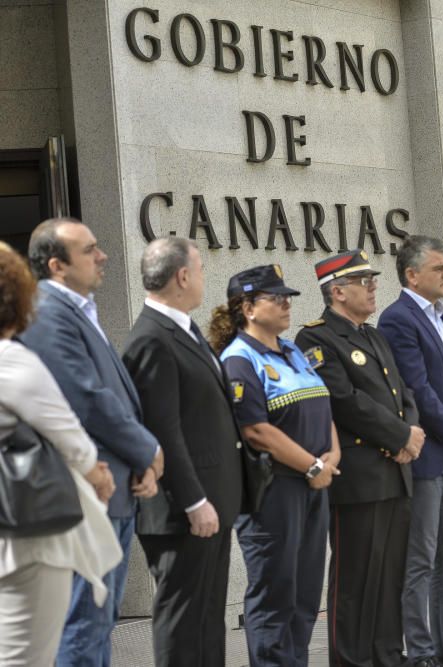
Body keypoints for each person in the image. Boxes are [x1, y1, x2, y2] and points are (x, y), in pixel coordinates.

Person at [21, 218, 163, 667]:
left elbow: (112, 397)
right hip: (85, 495)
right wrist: (149, 451)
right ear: (58, 266)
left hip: (114, 490)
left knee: (99, 623)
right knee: (83, 624)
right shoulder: (47, 311)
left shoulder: (79, 310)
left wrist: (137, 461)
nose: (103, 257)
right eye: (91, 250)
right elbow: (86, 397)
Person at [294, 249, 423, 667]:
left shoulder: (373, 334)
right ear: (336, 291)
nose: (372, 287)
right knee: (354, 578)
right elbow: (343, 401)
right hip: (359, 475)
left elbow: (402, 393)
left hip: (394, 471)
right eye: (362, 281)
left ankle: (387, 654)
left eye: (371, 279)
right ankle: (350, 660)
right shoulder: (315, 338)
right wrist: (400, 435)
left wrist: (411, 433)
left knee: (389, 575)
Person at [121, 238, 245, 667]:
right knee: (182, 618)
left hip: (210, 502)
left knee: (208, 618)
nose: (204, 279)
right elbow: (163, 430)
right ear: (183, 276)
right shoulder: (152, 338)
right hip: (183, 511)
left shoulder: (186, 329)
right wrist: (194, 501)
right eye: (201, 269)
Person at [209, 264, 340, 666]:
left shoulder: (293, 350)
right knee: (274, 595)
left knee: (303, 595)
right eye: (276, 298)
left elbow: (323, 408)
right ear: (247, 307)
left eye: (287, 298)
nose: (286, 305)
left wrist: (332, 457)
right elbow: (256, 431)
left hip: (314, 483)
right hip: (274, 491)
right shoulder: (239, 359)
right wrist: (312, 467)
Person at [0, 244, 120, 666]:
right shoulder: (11, 360)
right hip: (24, 540)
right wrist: (99, 475)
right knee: (25, 656)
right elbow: (71, 437)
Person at [378, 236, 443, 667]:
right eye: (438, 268)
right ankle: (420, 651)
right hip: (427, 458)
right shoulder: (397, 319)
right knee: (421, 558)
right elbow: (416, 387)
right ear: (411, 274)